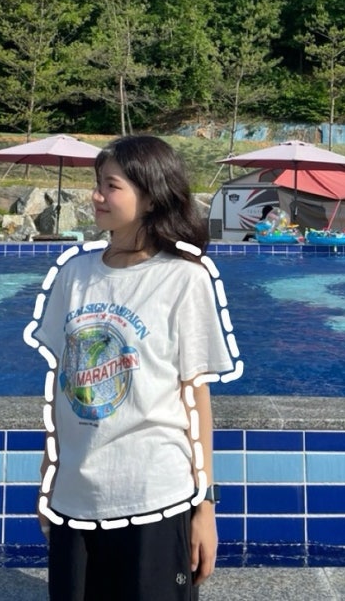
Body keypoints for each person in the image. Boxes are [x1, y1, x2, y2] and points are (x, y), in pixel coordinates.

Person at [30, 135, 235, 601]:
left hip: (154, 492)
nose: (97, 196)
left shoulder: (184, 278)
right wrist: (49, 477)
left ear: (151, 196)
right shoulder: (73, 275)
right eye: (97, 183)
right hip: (76, 494)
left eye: (111, 185)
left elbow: (195, 398)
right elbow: (61, 386)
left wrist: (204, 507)